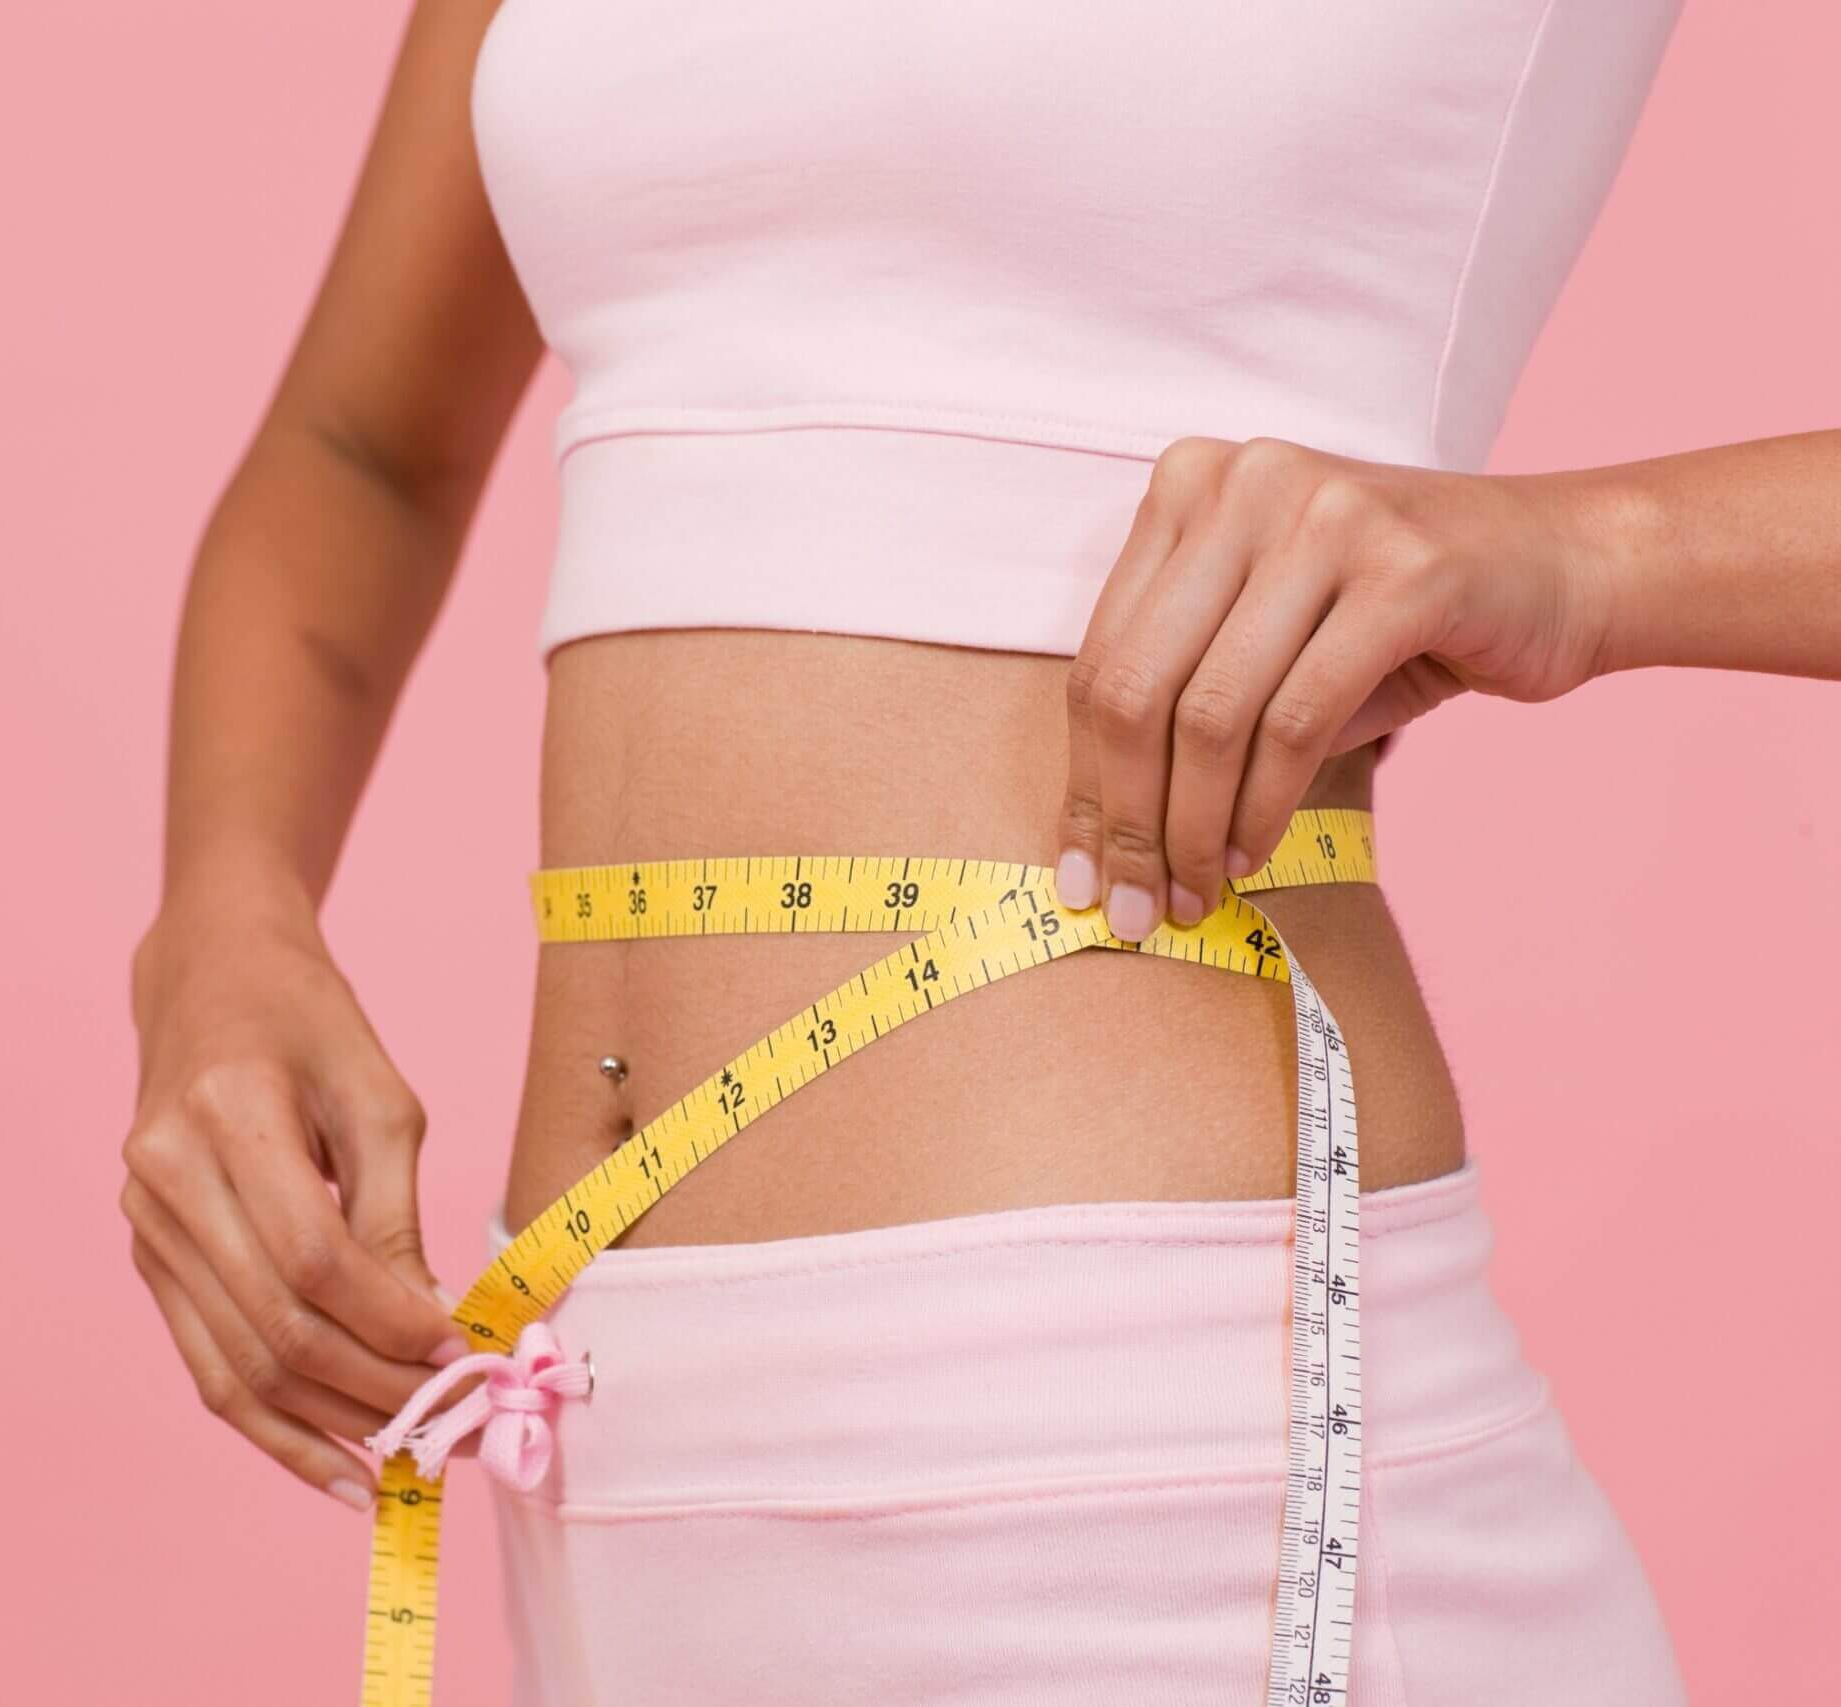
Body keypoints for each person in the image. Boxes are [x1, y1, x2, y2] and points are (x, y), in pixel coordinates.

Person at [123, 3, 1834, 1699]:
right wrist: (220, 920)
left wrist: (1592, 555)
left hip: (1145, 1482)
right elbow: (359, 451)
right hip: (590, 1472)